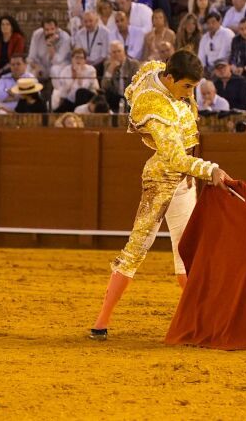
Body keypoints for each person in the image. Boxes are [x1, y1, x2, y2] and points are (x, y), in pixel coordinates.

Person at [90, 50, 238, 340]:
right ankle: (100, 322)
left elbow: (146, 76)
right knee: (137, 248)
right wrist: (212, 171)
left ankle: (197, 320)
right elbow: (174, 158)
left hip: (183, 179)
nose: (189, 95)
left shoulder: (158, 69)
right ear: (170, 79)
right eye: (186, 87)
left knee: (185, 251)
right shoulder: (154, 107)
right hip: (163, 177)